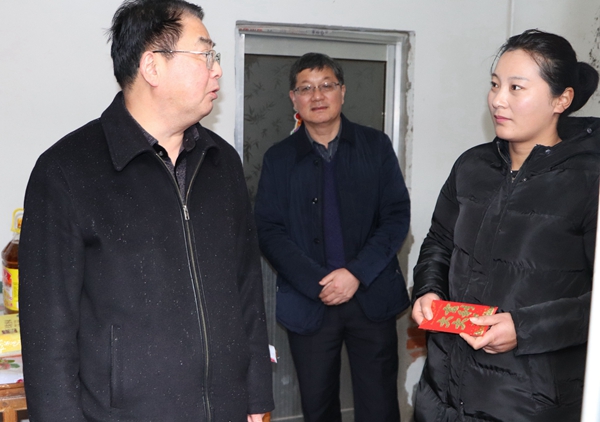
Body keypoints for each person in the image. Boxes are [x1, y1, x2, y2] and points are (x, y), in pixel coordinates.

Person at [19, 1, 274, 421]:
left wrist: (257, 398)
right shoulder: (67, 171)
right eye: (205, 54)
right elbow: (48, 334)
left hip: (226, 408)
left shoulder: (221, 162)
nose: (217, 70)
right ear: (152, 66)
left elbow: (247, 288)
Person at [412, 29, 600, 422]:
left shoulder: (588, 180)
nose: (498, 99)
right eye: (495, 84)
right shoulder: (472, 166)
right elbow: (439, 242)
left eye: (516, 87)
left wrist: (524, 328)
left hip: (528, 401)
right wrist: (429, 289)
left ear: (561, 99)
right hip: (443, 391)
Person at [254, 52, 411, 422]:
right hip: (311, 301)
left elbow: (395, 217)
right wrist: (318, 282)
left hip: (371, 295)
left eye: (326, 85)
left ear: (342, 91)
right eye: (306, 88)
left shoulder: (375, 146)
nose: (317, 95)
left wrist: (355, 273)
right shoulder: (279, 158)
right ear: (293, 98)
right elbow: (269, 230)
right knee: (318, 406)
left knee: (379, 406)